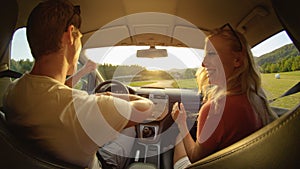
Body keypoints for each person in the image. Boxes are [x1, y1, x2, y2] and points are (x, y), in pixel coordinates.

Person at [3, 0, 154, 169]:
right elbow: (147, 108)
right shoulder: (82, 107)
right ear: (70, 34)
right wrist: (109, 96)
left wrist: (85, 74)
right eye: (80, 38)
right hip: (99, 165)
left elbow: (54, 92)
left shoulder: (12, 92)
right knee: (129, 131)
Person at [171, 23, 278, 169]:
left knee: (178, 138)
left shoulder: (216, 108)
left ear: (237, 60)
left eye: (212, 53)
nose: (203, 63)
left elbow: (195, 158)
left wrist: (181, 123)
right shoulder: (258, 97)